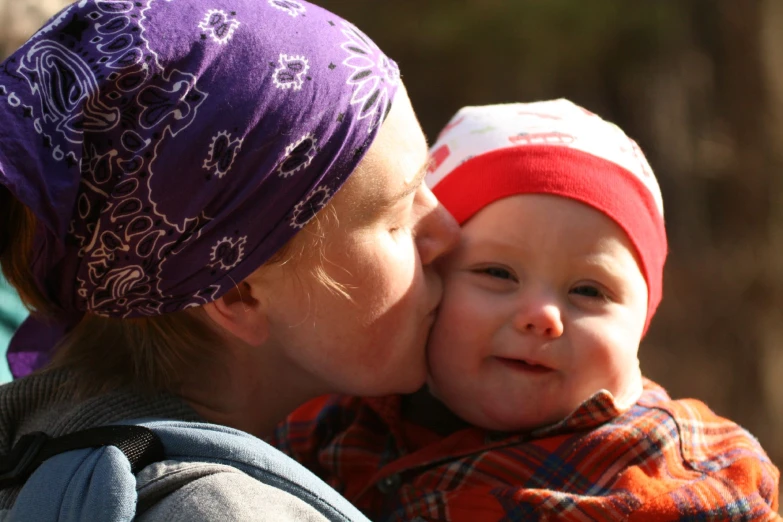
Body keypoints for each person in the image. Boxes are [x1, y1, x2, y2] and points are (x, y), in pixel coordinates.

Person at [0, 0, 458, 519]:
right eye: (396, 215)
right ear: (240, 292)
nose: (449, 232)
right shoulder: (222, 511)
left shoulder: (37, 443)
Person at [272, 100, 781, 521]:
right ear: (428, 279)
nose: (541, 315)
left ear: (642, 323)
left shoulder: (680, 469)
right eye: (498, 274)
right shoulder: (338, 423)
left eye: (589, 291)